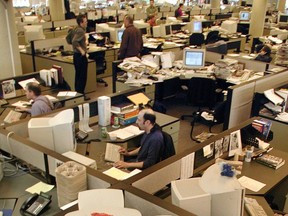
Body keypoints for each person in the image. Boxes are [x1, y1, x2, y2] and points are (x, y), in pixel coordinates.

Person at [72, 14, 90, 101]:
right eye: (85, 21)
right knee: (82, 77)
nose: (87, 23)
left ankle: (78, 94)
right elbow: (74, 41)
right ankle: (81, 95)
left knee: (78, 76)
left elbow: (70, 39)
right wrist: (81, 50)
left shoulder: (76, 29)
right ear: (81, 22)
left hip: (76, 56)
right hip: (80, 56)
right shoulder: (80, 31)